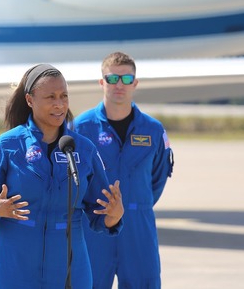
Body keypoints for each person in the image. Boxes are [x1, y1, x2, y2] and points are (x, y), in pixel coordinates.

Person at [0, 63, 124, 289]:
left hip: (69, 265)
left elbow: (100, 214)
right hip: (14, 263)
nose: (59, 104)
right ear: (30, 100)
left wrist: (115, 216)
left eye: (63, 96)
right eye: (50, 97)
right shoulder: (8, 145)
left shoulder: (84, 149)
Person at [73, 51, 174, 289]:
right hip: (93, 229)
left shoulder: (153, 130)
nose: (119, 85)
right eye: (112, 78)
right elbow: (72, 179)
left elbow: (158, 179)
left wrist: (136, 202)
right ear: (101, 82)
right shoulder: (80, 128)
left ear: (135, 84)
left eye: (126, 79)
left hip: (138, 228)